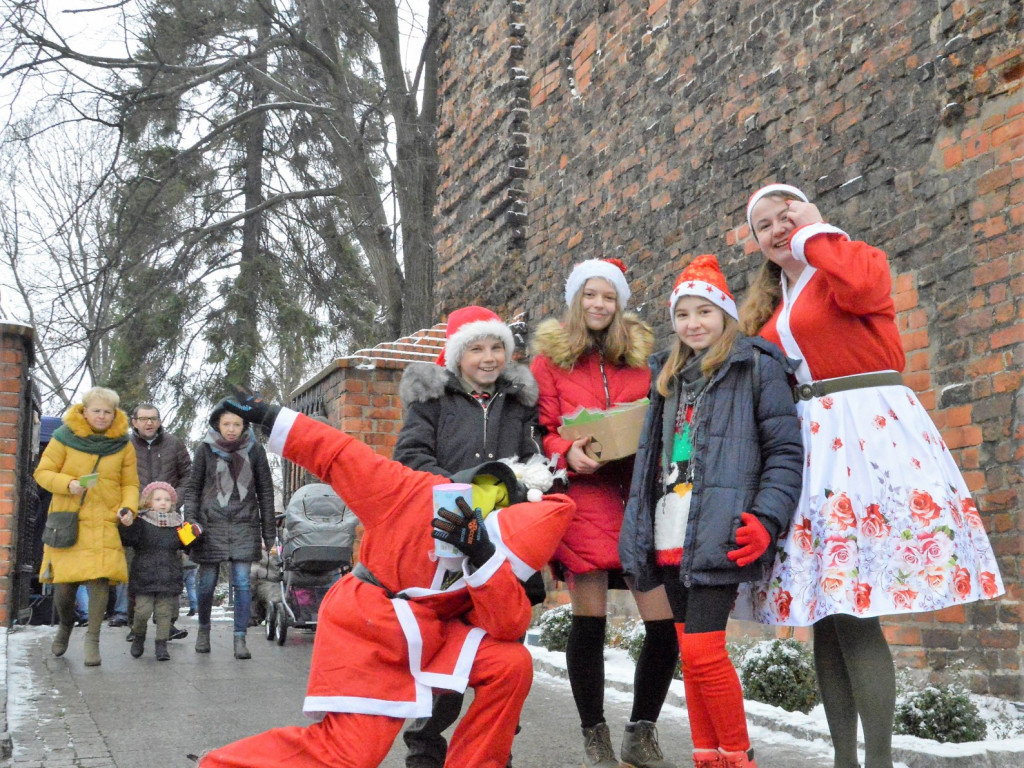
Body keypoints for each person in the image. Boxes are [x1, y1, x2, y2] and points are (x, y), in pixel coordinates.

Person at [739, 183, 1005, 768]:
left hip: (865, 436)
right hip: (811, 448)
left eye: (786, 216)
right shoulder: (774, 303)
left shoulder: (852, 260)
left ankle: (876, 762)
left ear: (809, 216)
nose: (778, 230)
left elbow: (862, 289)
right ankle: (844, 759)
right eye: (765, 226)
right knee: (828, 616)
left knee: (856, 610)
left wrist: (815, 232)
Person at [195, 387, 576, 768]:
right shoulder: (409, 492)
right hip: (369, 627)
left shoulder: (501, 550)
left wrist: (483, 557)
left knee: (510, 663)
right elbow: (337, 453)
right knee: (350, 756)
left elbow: (507, 625)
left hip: (437, 637)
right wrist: (267, 414)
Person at [619, 255, 803, 768]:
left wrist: (766, 519)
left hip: (722, 531)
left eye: (704, 311)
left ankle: (738, 757)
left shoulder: (756, 367)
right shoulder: (668, 376)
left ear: (724, 313)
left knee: (703, 653)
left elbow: (785, 452)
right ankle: (709, 757)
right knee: (689, 653)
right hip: (670, 530)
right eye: (683, 314)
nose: (693, 323)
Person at [530, 258, 679, 768]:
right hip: (585, 495)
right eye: (590, 295)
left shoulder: (643, 360)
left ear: (620, 304)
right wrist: (564, 450)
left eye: (608, 296)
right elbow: (542, 428)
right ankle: (594, 735)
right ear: (576, 300)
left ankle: (642, 730)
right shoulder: (549, 362)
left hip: (638, 493)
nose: (598, 304)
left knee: (664, 624)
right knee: (588, 620)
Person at [394, 304, 542, 768]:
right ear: (458, 356)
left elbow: (535, 459)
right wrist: (459, 493)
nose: (488, 357)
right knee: (443, 656)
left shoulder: (519, 405)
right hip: (448, 545)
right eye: (476, 347)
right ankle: (425, 748)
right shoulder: (432, 401)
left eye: (497, 346)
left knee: (503, 652)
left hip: (504, 549)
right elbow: (411, 456)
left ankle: (495, 751)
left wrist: (531, 484)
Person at [34, 386, 139, 667]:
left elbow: (130, 483)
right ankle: (66, 625)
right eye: (97, 410)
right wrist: (67, 484)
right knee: (65, 587)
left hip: (104, 519)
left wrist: (129, 507)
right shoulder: (63, 437)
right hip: (70, 519)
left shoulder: (123, 444)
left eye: (108, 411)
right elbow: (42, 473)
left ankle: (93, 638)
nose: (102, 416)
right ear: (85, 410)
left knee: (100, 579)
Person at [183, 399, 275, 660]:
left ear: (244, 425)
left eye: (237, 424)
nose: (231, 429)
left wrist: (269, 533)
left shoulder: (255, 451)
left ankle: (240, 639)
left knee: (243, 583)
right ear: (217, 424)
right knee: (206, 583)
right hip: (210, 523)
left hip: (245, 523)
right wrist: (190, 519)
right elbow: (193, 488)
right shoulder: (205, 450)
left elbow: (265, 492)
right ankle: (203, 630)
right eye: (226, 424)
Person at [123, 402, 194, 638]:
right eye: (143, 418)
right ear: (134, 422)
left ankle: (168, 623)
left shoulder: (174, 444)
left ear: (160, 420)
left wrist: (176, 500)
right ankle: (136, 624)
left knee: (171, 568)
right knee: (136, 568)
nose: (148, 423)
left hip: (169, 518)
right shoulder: (125, 445)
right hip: (138, 518)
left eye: (153, 418)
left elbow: (188, 476)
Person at [119, 481, 187, 661]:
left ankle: (161, 644)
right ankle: (139, 636)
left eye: (167, 499)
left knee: (165, 613)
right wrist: (126, 525)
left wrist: (196, 534)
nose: (163, 502)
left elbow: (188, 545)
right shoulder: (141, 522)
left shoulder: (178, 524)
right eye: (158, 499)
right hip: (144, 575)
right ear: (148, 502)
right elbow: (128, 540)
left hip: (168, 575)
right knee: (142, 611)